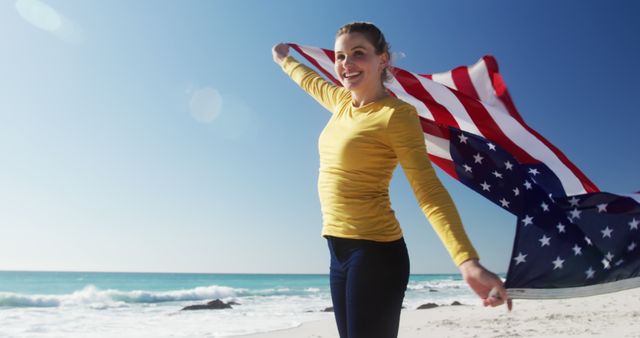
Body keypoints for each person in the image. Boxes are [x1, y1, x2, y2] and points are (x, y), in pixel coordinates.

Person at [272, 22, 512, 338]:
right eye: (341, 56)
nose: (346, 64)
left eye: (358, 54)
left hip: (375, 254)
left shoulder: (396, 115)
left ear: (382, 59)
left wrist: (467, 260)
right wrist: (284, 59)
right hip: (337, 251)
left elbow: (427, 188)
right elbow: (309, 80)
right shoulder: (341, 102)